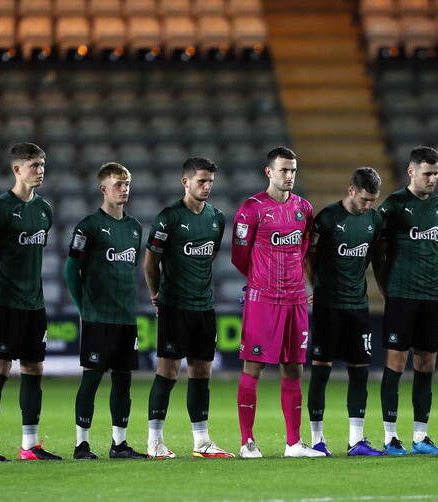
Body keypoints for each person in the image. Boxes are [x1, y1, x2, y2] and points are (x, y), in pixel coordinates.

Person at [232, 146, 324, 458]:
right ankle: (247, 442)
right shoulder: (252, 208)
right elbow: (239, 257)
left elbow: (305, 247)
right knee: (254, 365)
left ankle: (294, 444)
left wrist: (297, 282)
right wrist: (263, 279)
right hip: (263, 299)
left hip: (296, 299)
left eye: (293, 171)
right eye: (283, 170)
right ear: (269, 172)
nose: (289, 176)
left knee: (294, 368)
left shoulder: (305, 209)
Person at [0, 143, 60, 461]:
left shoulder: (44, 210)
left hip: (34, 304)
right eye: (35, 164)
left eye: (43, 164)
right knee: (0, 366)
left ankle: (30, 445)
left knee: (34, 368)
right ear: (17, 169)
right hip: (4, 303)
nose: (40, 170)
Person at [143, 157, 233, 458]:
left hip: (204, 307)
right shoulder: (168, 218)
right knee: (167, 371)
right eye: (201, 181)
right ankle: (154, 442)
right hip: (174, 306)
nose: (206, 187)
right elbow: (150, 264)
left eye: (210, 182)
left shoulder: (217, 218)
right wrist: (157, 296)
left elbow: (210, 256)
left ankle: (202, 442)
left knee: (201, 374)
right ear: (186, 182)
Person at [65, 162, 147, 460]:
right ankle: (81, 444)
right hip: (98, 317)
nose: (124, 189)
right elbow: (71, 269)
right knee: (92, 378)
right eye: (118, 184)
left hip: (127, 317)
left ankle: (119, 444)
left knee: (124, 381)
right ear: (103, 188)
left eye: (127, 184)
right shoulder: (88, 226)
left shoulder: (135, 228)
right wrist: (83, 308)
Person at [372, 146, 438, 455]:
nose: (432, 179)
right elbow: (378, 252)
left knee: (426, 363)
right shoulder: (393, 206)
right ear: (411, 172)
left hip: (431, 296)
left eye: (436, 174)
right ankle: (390, 437)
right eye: (427, 173)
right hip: (401, 295)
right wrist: (385, 288)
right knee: (395, 363)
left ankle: (420, 437)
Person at [306, 167, 384, 457]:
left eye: (372, 201)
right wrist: (314, 285)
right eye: (365, 199)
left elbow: (371, 255)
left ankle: (356, 441)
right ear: (351, 190)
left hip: (358, 306)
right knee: (321, 372)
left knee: (360, 373)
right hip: (328, 306)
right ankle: (317, 440)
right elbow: (309, 256)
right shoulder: (327, 219)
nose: (368, 206)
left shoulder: (374, 220)